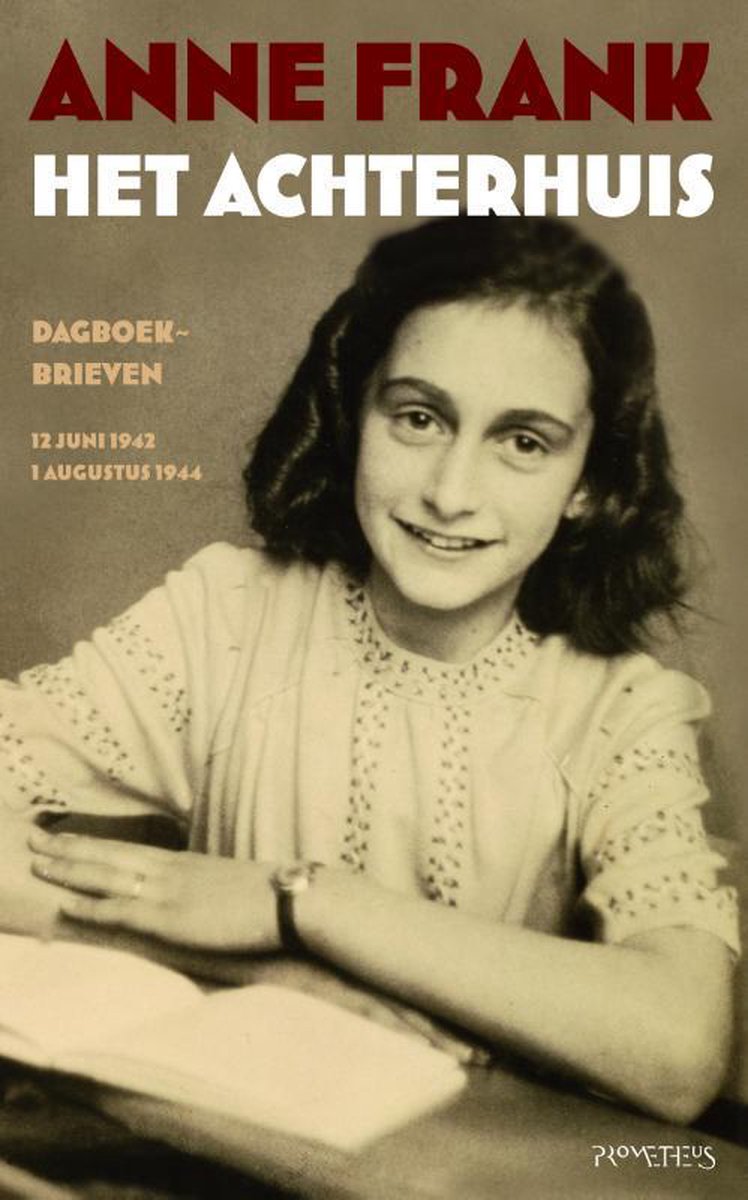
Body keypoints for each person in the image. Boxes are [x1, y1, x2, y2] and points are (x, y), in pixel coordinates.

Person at [1, 216, 738, 1125]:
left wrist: (305, 904)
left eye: (524, 442)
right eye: (419, 418)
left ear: (590, 482)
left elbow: (680, 1049)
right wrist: (253, 966)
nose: (450, 492)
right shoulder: (229, 616)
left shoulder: (620, 709)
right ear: (356, 417)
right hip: (227, 1138)